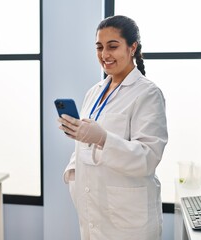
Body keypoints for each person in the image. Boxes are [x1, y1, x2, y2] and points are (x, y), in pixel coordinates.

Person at [57, 15, 168, 240]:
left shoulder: (147, 93)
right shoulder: (94, 92)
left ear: (132, 47)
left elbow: (148, 157)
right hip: (94, 210)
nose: (105, 55)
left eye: (113, 46)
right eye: (99, 47)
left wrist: (103, 139)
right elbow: (86, 145)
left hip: (129, 221)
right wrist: (72, 172)